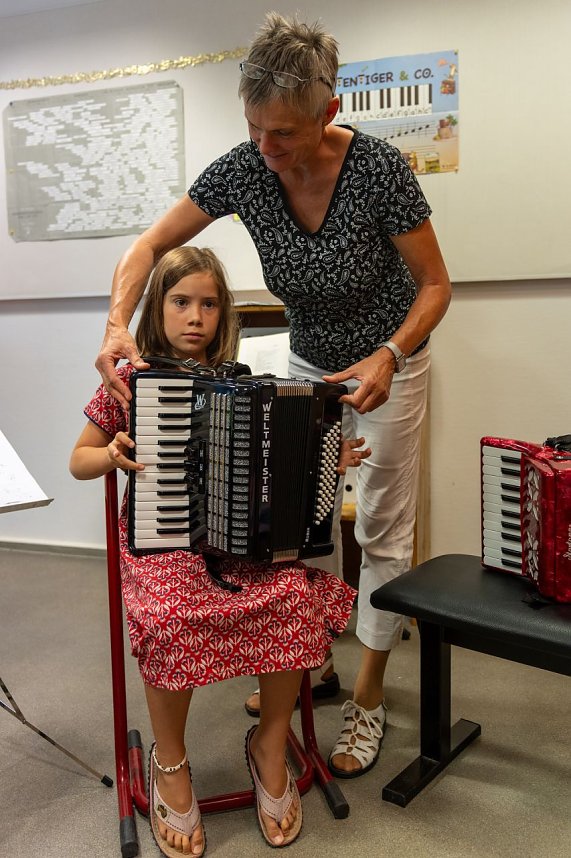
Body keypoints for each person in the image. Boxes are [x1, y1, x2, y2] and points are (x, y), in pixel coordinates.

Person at [95, 13, 451, 780]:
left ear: (326, 113)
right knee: (300, 521)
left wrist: (390, 352)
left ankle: (366, 692)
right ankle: (311, 660)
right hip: (305, 358)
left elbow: (434, 284)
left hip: (393, 359)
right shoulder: (245, 167)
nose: (266, 148)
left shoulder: (380, 170)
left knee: (383, 527)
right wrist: (117, 323)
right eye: (253, 127)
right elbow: (148, 246)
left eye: (282, 133)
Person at [71, 245, 367, 855]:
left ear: (222, 313)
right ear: (159, 308)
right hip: (163, 547)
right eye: (181, 302)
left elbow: (276, 472)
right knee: (170, 614)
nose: (195, 317)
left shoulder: (240, 385)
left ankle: (270, 742)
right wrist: (111, 455)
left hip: (239, 550)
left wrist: (322, 460)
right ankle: (171, 761)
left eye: (208, 304)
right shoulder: (127, 383)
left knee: (291, 598)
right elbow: (79, 460)